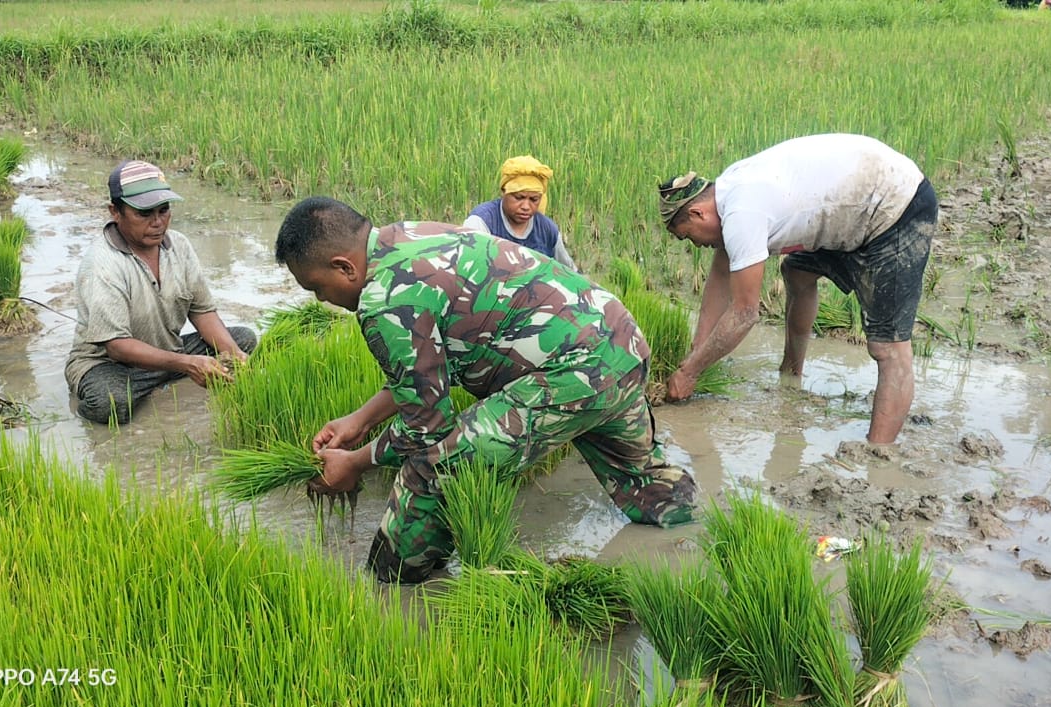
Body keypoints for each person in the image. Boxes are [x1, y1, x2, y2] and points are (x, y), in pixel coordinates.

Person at [275, 197, 698, 583]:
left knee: (432, 468)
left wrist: (354, 463)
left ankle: (401, 583)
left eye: (315, 287)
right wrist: (358, 420)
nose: (320, 300)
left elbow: (427, 429)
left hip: (574, 371)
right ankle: (701, 547)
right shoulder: (408, 235)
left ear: (344, 267)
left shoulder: (384, 300)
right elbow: (429, 368)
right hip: (619, 344)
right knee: (648, 487)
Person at [657, 133, 938, 445]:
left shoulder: (741, 213)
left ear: (698, 213)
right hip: (851, 204)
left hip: (894, 205)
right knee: (798, 271)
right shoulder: (726, 193)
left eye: (688, 236)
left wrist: (690, 373)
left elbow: (745, 312)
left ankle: (878, 454)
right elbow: (721, 275)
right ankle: (791, 376)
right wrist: (698, 350)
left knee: (887, 348)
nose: (695, 244)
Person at [65, 160, 256, 425]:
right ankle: (138, 389)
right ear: (115, 212)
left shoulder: (179, 246)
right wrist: (187, 364)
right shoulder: (103, 264)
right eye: (144, 213)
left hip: (168, 352)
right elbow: (117, 347)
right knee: (111, 404)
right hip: (111, 365)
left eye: (163, 210)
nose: (157, 222)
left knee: (243, 340)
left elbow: (202, 312)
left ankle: (164, 379)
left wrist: (235, 356)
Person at [462, 155, 578, 270]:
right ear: (503, 192)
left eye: (534, 199)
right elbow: (468, 268)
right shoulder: (481, 222)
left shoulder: (547, 230)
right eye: (519, 198)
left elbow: (570, 273)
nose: (526, 206)